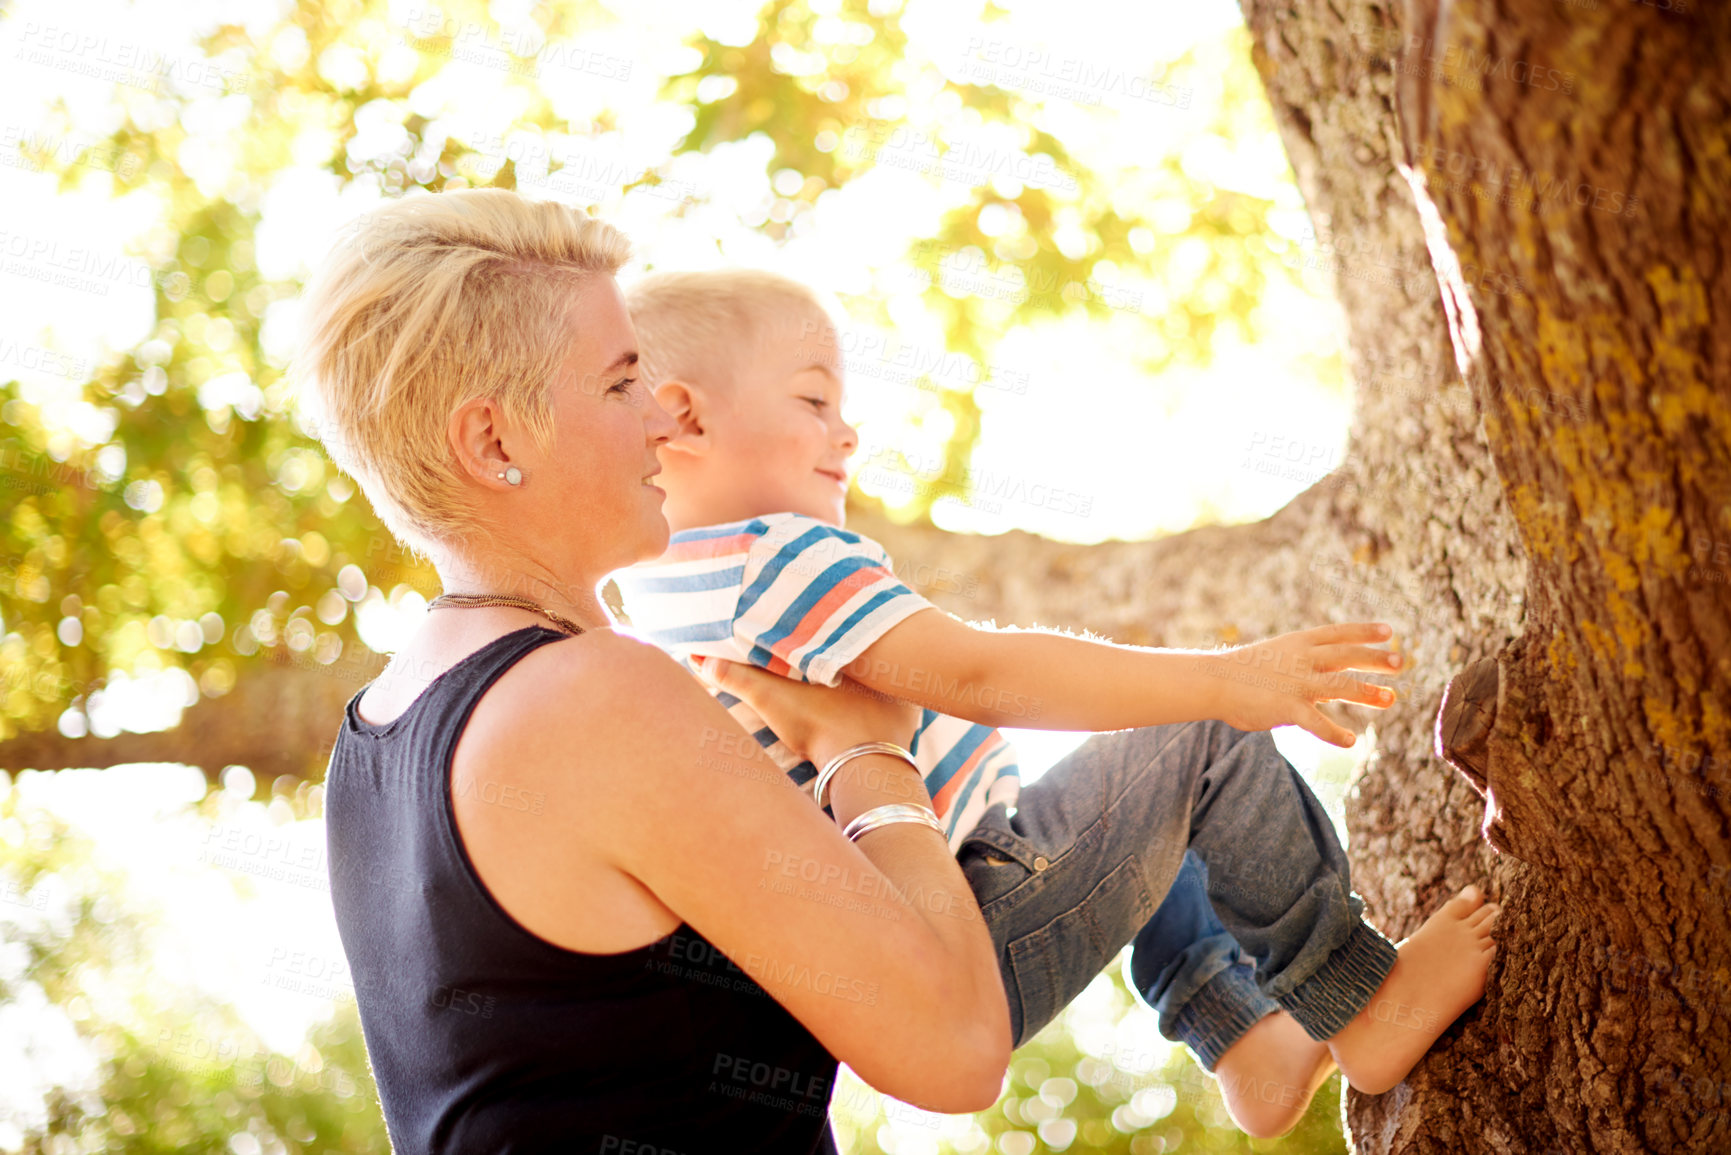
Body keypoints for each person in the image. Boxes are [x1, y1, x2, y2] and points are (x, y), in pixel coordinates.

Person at [611, 268, 1503, 1131]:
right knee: (1189, 729)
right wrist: (1228, 679)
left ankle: (1242, 1036)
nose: (846, 436)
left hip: (908, 961)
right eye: (813, 402)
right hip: (961, 921)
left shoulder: (663, 602)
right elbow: (977, 673)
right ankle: (1361, 999)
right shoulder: (775, 555)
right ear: (682, 416)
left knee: (1155, 800)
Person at [293, 188, 1016, 1154]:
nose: (659, 424)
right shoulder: (593, 694)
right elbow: (959, 1054)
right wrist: (865, 753)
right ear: (493, 440)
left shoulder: (370, 741)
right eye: (621, 382)